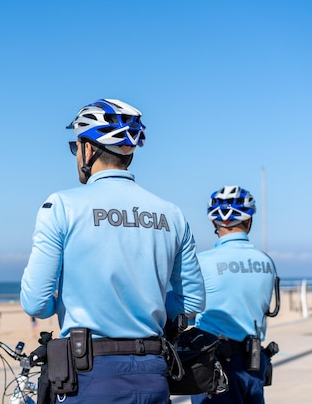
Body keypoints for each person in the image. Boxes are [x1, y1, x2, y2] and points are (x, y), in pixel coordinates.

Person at [20, 98, 206, 404]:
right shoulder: (171, 214)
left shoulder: (62, 206)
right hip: (153, 373)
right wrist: (150, 304)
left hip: (89, 373)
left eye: (75, 146)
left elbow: (36, 303)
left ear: (88, 149)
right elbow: (193, 300)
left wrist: (67, 300)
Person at [191, 185, 278, 404]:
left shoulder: (202, 262)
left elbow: (185, 308)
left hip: (215, 368)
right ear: (248, 221)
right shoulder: (266, 262)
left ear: (214, 222)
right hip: (254, 363)